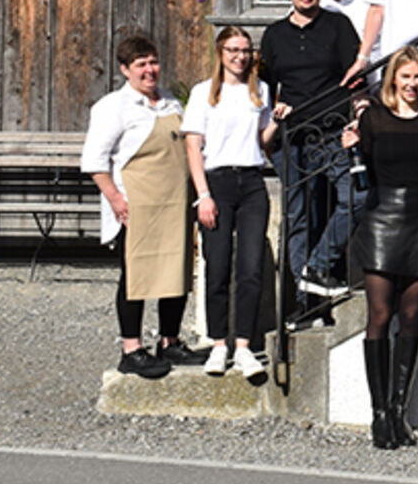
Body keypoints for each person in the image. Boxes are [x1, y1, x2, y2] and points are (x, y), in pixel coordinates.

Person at [341, 46, 418, 450]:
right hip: (382, 215)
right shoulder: (373, 117)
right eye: (406, 77)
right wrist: (350, 142)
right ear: (393, 80)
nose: (412, 84)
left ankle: (399, 410)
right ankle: (379, 414)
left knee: (413, 316)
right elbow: (360, 167)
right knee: (380, 315)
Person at [82, 35, 204, 379]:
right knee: (135, 278)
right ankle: (131, 348)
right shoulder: (112, 107)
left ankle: (170, 341)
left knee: (175, 275)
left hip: (174, 204)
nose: (150, 70)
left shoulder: (170, 103)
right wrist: (115, 199)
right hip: (135, 206)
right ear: (125, 70)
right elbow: (94, 160)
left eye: (153, 62)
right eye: (141, 64)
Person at [259, 0, 362, 303]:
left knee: (354, 196)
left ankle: (316, 267)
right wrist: (269, 129)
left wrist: (359, 116)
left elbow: (356, 78)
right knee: (299, 217)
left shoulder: (338, 25)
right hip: (294, 139)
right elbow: (264, 86)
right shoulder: (275, 35)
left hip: (333, 133)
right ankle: (306, 304)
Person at [182, 27, 278, 383]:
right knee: (218, 264)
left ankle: (243, 345)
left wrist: (277, 122)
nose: (240, 56)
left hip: (252, 182)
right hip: (217, 183)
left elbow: (262, 141)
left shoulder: (261, 91)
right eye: (233, 50)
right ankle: (219, 342)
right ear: (220, 52)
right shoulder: (203, 94)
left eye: (245, 50)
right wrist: (202, 195)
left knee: (251, 267)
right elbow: (193, 147)